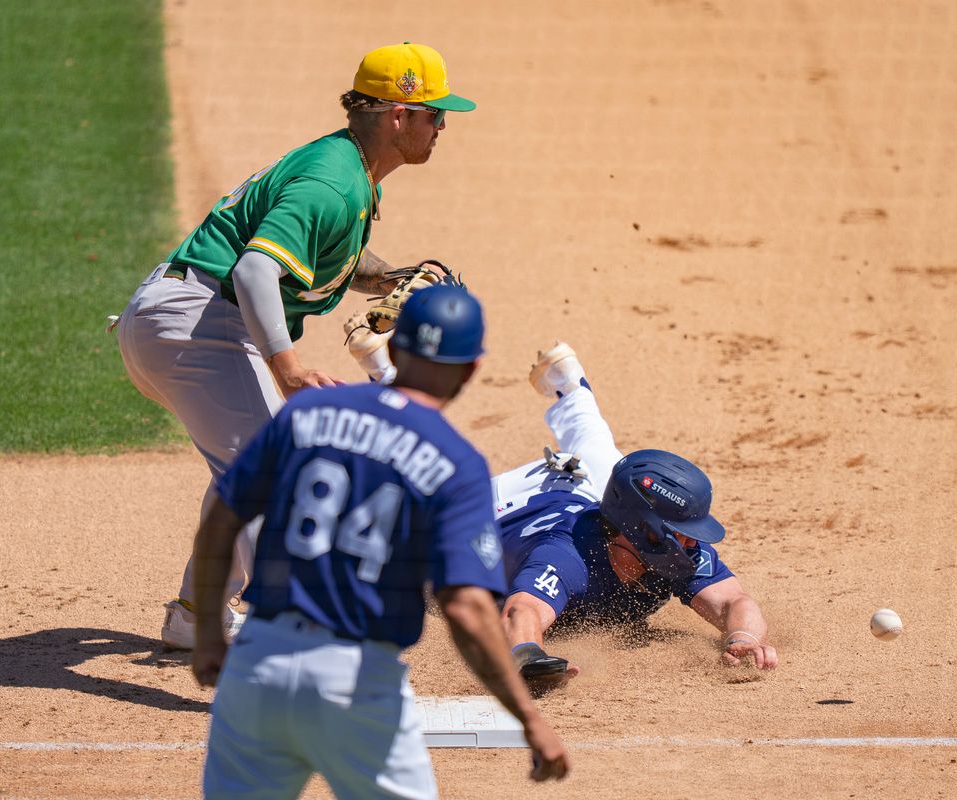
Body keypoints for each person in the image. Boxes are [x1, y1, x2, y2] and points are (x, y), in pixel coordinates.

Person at [114, 42, 477, 649]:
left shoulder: (346, 171)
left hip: (185, 321)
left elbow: (328, 255)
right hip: (200, 326)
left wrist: (386, 279)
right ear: (396, 115)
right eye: (433, 114)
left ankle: (196, 614)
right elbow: (257, 270)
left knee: (253, 463)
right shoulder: (333, 184)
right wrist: (286, 367)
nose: (441, 127)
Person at [190, 285, 570, 799]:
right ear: (472, 368)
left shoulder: (306, 416)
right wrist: (527, 717)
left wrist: (211, 632)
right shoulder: (455, 464)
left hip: (258, 662)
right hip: (353, 682)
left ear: (392, 349)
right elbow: (465, 607)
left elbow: (222, 517)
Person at [492, 342, 780, 690]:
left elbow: (734, 601)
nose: (693, 542)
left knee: (607, 461)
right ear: (647, 531)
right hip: (506, 504)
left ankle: (569, 386)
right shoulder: (566, 557)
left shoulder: (675, 550)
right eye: (682, 531)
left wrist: (742, 637)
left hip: (588, 492)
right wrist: (528, 655)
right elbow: (521, 611)